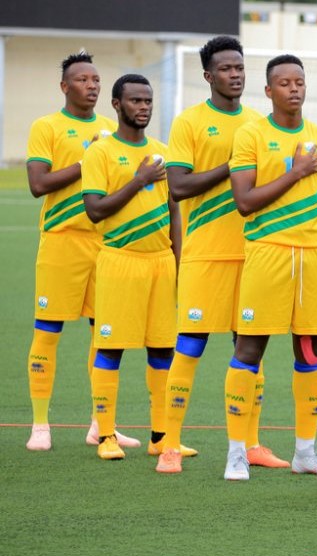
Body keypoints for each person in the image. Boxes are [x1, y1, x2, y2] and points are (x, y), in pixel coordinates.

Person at [155, 36, 287, 473]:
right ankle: (170, 444)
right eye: (227, 69)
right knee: (189, 346)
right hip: (204, 254)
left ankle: (251, 444)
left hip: (254, 254)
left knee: (250, 349)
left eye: (240, 67)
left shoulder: (259, 124)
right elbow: (178, 187)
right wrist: (229, 166)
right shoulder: (190, 122)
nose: (236, 74)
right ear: (209, 76)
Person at [223, 54, 317, 481]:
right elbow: (245, 202)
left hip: (314, 260)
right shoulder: (252, 135)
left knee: (311, 353)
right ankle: (237, 451)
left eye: (300, 82)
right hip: (267, 253)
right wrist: (297, 171)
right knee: (248, 350)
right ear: (269, 91)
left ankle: (305, 451)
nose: (294, 89)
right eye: (285, 83)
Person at [25, 51, 141, 451]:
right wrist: (87, 158)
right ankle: (41, 424)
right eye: (82, 79)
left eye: (96, 79)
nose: (91, 85)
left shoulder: (113, 128)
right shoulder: (47, 126)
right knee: (48, 331)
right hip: (62, 242)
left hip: (105, 246)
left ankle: (100, 424)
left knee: (104, 334)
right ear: (64, 87)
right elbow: (38, 184)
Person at [81, 74, 180, 460]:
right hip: (119, 261)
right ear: (117, 105)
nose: (143, 107)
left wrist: (177, 258)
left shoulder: (161, 151)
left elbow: (174, 210)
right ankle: (105, 436)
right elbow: (94, 210)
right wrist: (138, 180)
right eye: (135, 100)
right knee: (111, 347)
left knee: (162, 349)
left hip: (160, 263)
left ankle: (160, 437)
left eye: (148, 101)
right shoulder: (100, 153)